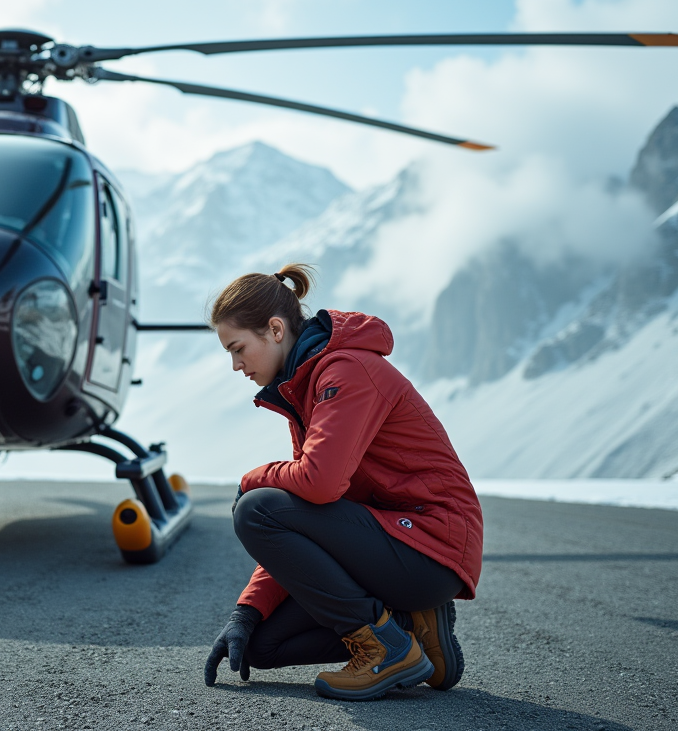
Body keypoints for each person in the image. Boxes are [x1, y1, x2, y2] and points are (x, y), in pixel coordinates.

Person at [202, 263, 483, 701]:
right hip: (389, 546)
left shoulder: (345, 371)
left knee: (256, 508)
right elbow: (302, 522)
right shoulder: (304, 387)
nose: (236, 365)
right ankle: (412, 628)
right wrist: (246, 612)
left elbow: (318, 484)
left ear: (275, 329)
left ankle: (386, 648)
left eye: (238, 348)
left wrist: (251, 479)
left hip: (430, 545)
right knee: (260, 646)